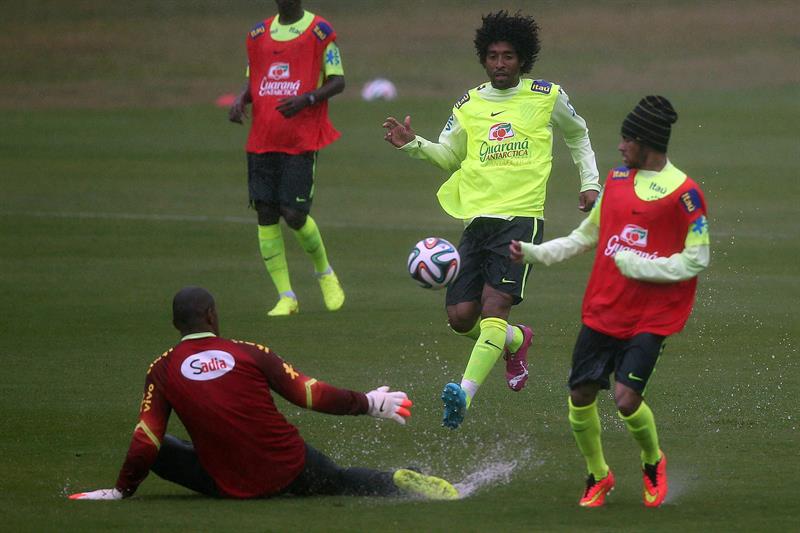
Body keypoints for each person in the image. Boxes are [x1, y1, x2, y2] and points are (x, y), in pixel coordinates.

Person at [383, 11, 600, 429]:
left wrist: (590, 182)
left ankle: (462, 394)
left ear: (523, 59)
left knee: (495, 306)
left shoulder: (546, 95)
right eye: (493, 56)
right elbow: (449, 156)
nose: (500, 64)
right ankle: (517, 340)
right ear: (484, 59)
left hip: (521, 219)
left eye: (509, 56)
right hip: (477, 221)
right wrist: (414, 144)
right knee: (461, 317)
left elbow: (577, 133)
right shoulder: (469, 103)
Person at [69, 287, 458, 501]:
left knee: (164, 446)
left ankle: (190, 466)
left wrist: (121, 490)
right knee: (338, 479)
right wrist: (370, 403)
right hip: (289, 465)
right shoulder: (249, 352)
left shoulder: (162, 368)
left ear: (175, 324)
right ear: (212, 316)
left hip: (229, 485)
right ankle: (399, 483)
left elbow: (146, 438)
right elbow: (308, 393)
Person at [510, 96, 710, 508]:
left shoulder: (686, 194)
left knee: (625, 399)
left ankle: (652, 462)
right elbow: (586, 236)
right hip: (605, 308)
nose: (620, 146)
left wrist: (640, 266)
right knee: (580, 395)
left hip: (652, 315)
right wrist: (534, 253)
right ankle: (598, 474)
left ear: (647, 142)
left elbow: (698, 257)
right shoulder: (617, 180)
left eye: (627, 139)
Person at [229, 0, 345, 317]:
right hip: (263, 138)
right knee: (265, 212)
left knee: (293, 213)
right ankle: (286, 296)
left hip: (301, 138)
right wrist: (241, 98)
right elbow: (256, 76)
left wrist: (307, 98)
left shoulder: (319, 32)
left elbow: (338, 80)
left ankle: (325, 274)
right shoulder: (258, 33)